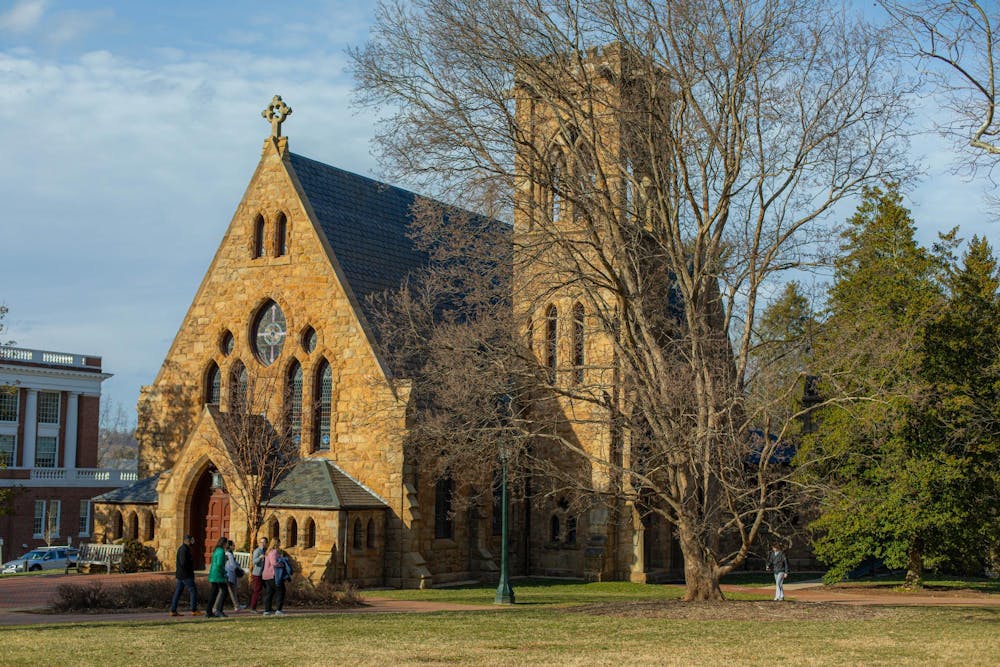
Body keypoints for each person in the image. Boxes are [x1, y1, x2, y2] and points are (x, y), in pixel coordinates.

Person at [169, 535, 202, 617]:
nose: (192, 542)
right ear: (187, 541)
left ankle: (173, 610)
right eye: (191, 540)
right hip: (185, 575)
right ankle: (194, 610)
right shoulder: (184, 549)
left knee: (178, 592)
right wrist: (189, 570)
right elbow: (183, 563)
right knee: (193, 591)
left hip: (181, 575)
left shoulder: (185, 549)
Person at [262, 537, 288, 616]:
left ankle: (267, 610)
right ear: (277, 543)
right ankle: (279, 610)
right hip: (273, 575)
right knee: (281, 591)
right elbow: (274, 563)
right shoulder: (274, 552)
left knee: (269, 593)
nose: (280, 544)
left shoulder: (268, 552)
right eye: (279, 543)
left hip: (266, 575)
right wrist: (282, 564)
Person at [206, 536, 229, 618]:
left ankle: (209, 611)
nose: (227, 545)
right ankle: (219, 610)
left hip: (213, 574)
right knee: (224, 591)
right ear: (224, 543)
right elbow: (219, 564)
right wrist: (224, 572)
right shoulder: (221, 551)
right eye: (226, 543)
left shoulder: (216, 550)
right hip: (218, 575)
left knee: (214, 593)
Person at [224, 539, 245, 612]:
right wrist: (238, 569)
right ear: (230, 546)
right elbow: (232, 565)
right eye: (233, 545)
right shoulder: (229, 554)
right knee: (232, 591)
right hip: (230, 574)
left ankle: (237, 605)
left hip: (230, 573)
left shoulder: (229, 553)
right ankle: (236, 606)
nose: (234, 547)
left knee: (233, 590)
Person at [249, 536, 268, 612]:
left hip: (264, 574)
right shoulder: (257, 551)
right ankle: (253, 607)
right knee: (256, 590)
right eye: (261, 542)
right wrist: (260, 558)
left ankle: (268, 606)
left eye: (264, 542)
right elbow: (253, 562)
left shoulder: (266, 550)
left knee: (269, 589)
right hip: (257, 574)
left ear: (266, 543)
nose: (262, 544)